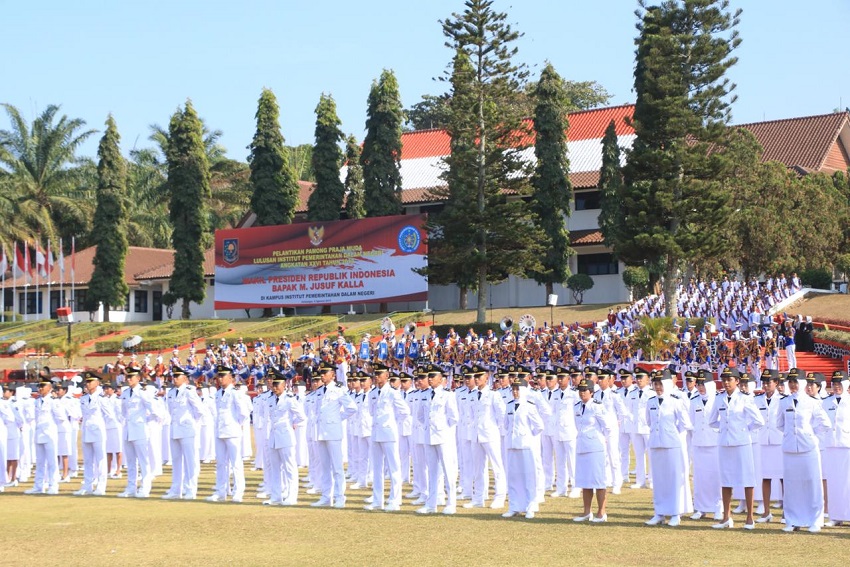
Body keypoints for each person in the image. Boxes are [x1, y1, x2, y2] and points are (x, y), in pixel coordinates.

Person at [708, 368, 764, 529]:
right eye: (724, 379)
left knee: (747, 479)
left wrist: (743, 429)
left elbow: (758, 421)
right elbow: (712, 421)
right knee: (726, 480)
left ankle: (750, 518)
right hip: (725, 442)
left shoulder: (745, 398)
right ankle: (726, 517)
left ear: (737, 381)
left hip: (741, 442)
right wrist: (724, 428)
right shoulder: (719, 398)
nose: (726, 382)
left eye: (730, 379)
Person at [776, 370, 831, 532]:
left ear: (803, 383)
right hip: (789, 449)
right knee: (792, 486)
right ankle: (793, 520)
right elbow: (779, 424)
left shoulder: (812, 402)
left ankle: (815, 520)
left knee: (812, 484)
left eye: (795, 381)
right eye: (790, 381)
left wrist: (809, 433)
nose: (792, 384)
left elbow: (825, 424)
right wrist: (789, 435)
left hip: (808, 448)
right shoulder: (784, 402)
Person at [645, 371, 693, 527]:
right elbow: (648, 421)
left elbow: (684, 424)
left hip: (672, 444)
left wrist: (671, 433)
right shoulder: (650, 401)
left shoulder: (675, 401)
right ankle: (659, 512)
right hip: (656, 443)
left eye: (660, 384)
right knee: (659, 480)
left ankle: (675, 513)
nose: (658, 387)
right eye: (655, 384)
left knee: (673, 479)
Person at [365, 361, 410, 512]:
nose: (377, 377)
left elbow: (404, 411)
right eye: (375, 374)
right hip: (376, 433)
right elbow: (371, 412)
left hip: (389, 433)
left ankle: (395, 500)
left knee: (394, 468)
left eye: (380, 374)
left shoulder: (392, 392)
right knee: (377, 469)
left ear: (387, 375)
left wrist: (393, 423)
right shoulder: (372, 393)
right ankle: (378, 500)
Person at [312, 361, 357, 508]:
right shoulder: (319, 391)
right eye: (321, 374)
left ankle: (340, 497)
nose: (322, 376)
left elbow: (351, 408)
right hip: (321, 432)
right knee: (324, 467)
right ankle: (326, 496)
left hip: (333, 431)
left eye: (325, 373)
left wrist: (338, 418)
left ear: (333, 374)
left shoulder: (339, 390)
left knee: (337, 467)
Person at [416, 363, 459, 515]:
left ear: (441, 379)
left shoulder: (448, 395)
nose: (430, 379)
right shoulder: (424, 394)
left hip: (443, 437)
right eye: (429, 376)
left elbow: (454, 418)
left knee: (448, 471)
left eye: (433, 376)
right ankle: (431, 504)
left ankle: (451, 503)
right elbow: (420, 416)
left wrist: (443, 429)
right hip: (429, 436)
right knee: (432, 472)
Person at [502, 373, 544, 519]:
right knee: (513, 477)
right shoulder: (508, 405)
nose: (515, 391)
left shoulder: (529, 406)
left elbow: (539, 426)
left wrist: (528, 435)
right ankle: (514, 506)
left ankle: (531, 506)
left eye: (518, 389)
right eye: (513, 389)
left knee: (528, 477)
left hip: (526, 445)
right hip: (512, 445)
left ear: (525, 390)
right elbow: (506, 425)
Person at [207, 364, 251, 503]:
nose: (219, 379)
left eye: (222, 376)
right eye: (218, 376)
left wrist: (236, 424)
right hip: (220, 431)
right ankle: (221, 491)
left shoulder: (235, 393)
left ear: (230, 377)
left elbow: (243, 412)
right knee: (221, 463)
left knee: (236, 463)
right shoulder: (218, 394)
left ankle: (238, 492)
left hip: (232, 431)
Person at [468, 363, 507, 509]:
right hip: (476, 434)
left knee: (497, 466)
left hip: (490, 434)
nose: (476, 379)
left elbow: (502, 415)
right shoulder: (472, 395)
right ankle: (478, 497)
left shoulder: (493, 395)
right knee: (478, 468)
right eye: (475, 376)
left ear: (487, 377)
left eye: (479, 376)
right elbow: (471, 415)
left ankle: (499, 497)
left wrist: (496, 429)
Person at [163, 365, 205, 500]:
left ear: (185, 378)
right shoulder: (170, 393)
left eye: (177, 376)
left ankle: (190, 489)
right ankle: (176, 489)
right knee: (176, 461)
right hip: (174, 429)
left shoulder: (189, 391)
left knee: (190, 461)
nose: (174, 379)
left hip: (187, 430)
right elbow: (170, 411)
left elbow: (199, 410)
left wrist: (192, 424)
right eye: (173, 376)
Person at [265, 370, 306, 506]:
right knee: (275, 469)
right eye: (273, 383)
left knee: (290, 468)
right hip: (274, 438)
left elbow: (301, 416)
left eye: (277, 384)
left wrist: (293, 423)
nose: (274, 386)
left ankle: (291, 496)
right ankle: (276, 496)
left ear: (284, 384)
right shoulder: (270, 399)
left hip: (286, 437)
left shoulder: (289, 399)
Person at [572, 377, 610, 523]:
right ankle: (587, 512)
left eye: (584, 391)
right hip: (582, 446)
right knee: (585, 481)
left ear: (592, 392)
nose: (582, 394)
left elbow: (607, 426)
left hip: (595, 447)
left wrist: (603, 441)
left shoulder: (597, 406)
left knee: (598, 481)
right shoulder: (576, 406)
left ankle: (601, 513)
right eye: (580, 391)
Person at [118, 365, 158, 498]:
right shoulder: (124, 393)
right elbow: (123, 412)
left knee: (143, 461)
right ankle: (131, 487)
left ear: (138, 378)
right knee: (130, 462)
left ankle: (145, 487)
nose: (128, 379)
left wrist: (146, 421)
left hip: (140, 430)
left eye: (131, 377)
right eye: (127, 377)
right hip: (128, 430)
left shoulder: (143, 392)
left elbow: (153, 410)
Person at [689, 370, 722, 520]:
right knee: (700, 477)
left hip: (714, 443)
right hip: (699, 442)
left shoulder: (718, 399)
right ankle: (700, 508)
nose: (700, 387)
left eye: (703, 383)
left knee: (716, 477)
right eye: (699, 384)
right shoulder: (694, 400)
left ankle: (718, 507)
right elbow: (691, 420)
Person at [753, 369, 784, 523]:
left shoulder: (784, 399)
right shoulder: (757, 400)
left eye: (769, 382)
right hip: (764, 441)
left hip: (779, 442)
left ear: (776, 383)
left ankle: (786, 513)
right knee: (765, 478)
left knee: (783, 479)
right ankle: (766, 512)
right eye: (764, 382)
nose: (765, 385)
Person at [24, 376, 63, 495]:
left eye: (42, 386)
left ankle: (53, 485)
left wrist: (50, 426)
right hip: (39, 433)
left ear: (50, 387)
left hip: (49, 433)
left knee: (52, 461)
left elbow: (60, 417)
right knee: (40, 462)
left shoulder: (53, 401)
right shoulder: (36, 401)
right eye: (39, 386)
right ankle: (38, 485)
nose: (40, 388)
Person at [74, 371, 110, 496]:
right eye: (87, 382)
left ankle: (101, 486)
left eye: (90, 381)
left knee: (100, 460)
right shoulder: (83, 398)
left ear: (97, 383)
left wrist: (103, 427)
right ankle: (87, 485)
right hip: (86, 431)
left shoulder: (101, 398)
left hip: (98, 432)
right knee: (87, 460)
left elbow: (109, 415)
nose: (88, 384)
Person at [822, 371, 850, 526]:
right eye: (834, 383)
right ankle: (835, 515)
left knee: (848, 482)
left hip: (847, 445)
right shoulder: (826, 402)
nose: (837, 386)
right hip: (831, 445)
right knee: (833, 482)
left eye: (840, 383)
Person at [627, 367, 655, 489]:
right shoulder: (632, 393)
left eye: (641, 378)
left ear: (648, 379)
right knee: (639, 455)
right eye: (637, 378)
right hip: (635, 427)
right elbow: (628, 409)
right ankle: (640, 480)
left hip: (648, 427)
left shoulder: (652, 393)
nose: (639, 381)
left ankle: (652, 480)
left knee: (651, 454)